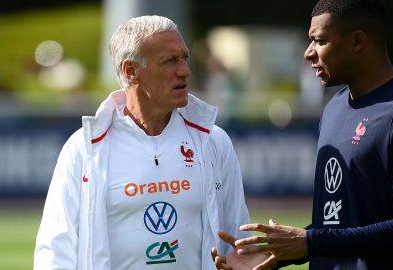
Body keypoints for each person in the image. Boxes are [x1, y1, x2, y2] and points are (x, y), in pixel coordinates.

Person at [213, 0, 393, 269]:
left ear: (357, 41)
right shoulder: (334, 107)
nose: (308, 53)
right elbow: (338, 224)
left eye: (320, 40)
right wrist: (278, 254)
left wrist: (311, 242)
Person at [34, 15, 252, 270]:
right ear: (131, 71)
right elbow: (55, 248)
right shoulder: (84, 147)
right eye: (169, 61)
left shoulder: (214, 141)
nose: (184, 70)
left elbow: (238, 238)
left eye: (184, 58)